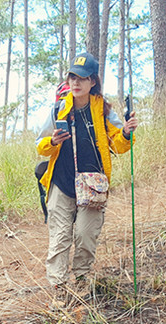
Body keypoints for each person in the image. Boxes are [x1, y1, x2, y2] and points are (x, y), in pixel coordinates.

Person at [36, 52, 138, 290]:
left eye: (82, 78)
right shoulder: (58, 110)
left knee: (84, 235)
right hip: (61, 183)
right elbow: (40, 145)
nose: (76, 83)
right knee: (60, 237)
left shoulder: (103, 110)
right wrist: (52, 142)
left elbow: (119, 145)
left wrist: (126, 133)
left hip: (93, 185)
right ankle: (59, 290)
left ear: (93, 81)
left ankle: (82, 283)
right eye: (72, 77)